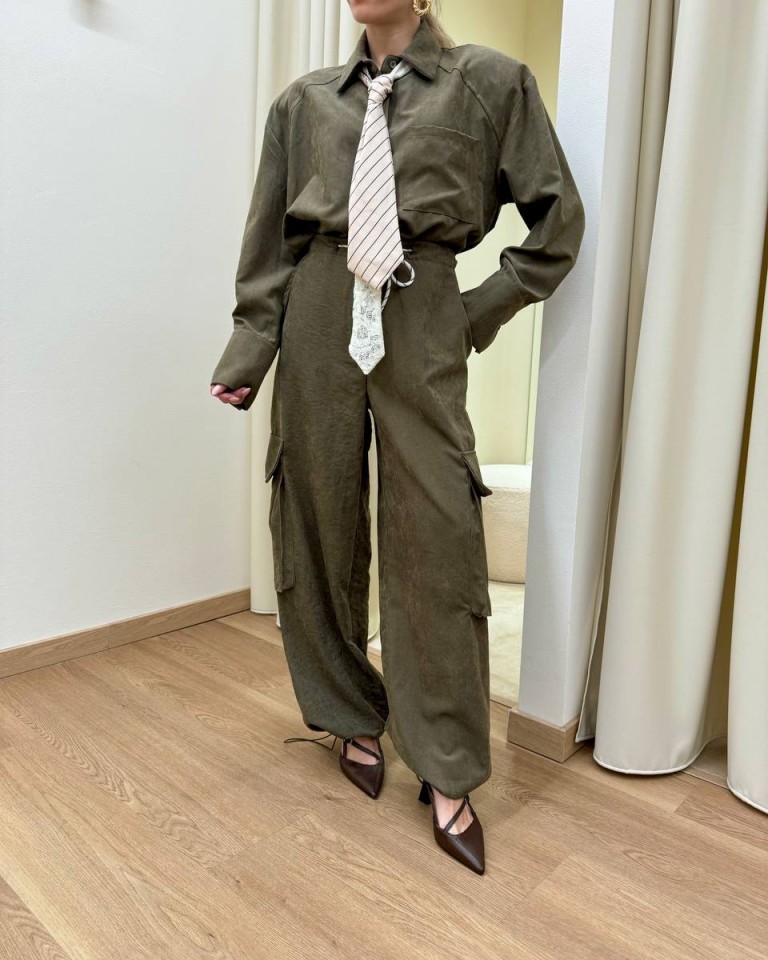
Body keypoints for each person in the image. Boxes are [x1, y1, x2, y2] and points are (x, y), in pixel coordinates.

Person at [209, 0, 585, 875]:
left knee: (437, 533)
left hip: (423, 306)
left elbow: (556, 222)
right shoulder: (304, 104)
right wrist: (251, 348)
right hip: (317, 310)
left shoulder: (490, 84)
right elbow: (270, 243)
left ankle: (447, 764)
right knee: (317, 516)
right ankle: (349, 713)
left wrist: (475, 312)